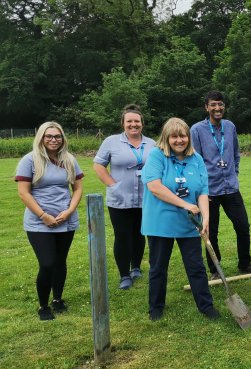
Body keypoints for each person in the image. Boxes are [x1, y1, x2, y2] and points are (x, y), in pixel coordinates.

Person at [141, 117, 219, 321]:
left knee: (196, 266)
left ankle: (206, 306)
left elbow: (202, 190)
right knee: (158, 267)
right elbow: (155, 187)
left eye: (182, 135)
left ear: (188, 137)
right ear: (166, 138)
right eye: (174, 136)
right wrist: (185, 205)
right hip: (160, 222)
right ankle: (155, 308)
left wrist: (206, 217)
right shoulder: (157, 156)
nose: (179, 140)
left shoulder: (197, 159)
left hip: (189, 223)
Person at [191, 90, 251, 280]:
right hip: (210, 192)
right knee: (210, 232)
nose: (217, 108)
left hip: (231, 187)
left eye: (220, 104)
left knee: (243, 226)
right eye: (213, 105)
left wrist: (234, 173)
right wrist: (201, 187)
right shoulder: (197, 130)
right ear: (206, 107)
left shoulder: (230, 127)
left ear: (224, 106)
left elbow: (236, 154)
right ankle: (215, 270)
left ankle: (245, 263)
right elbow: (195, 161)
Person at [15, 122, 84, 320]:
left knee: (60, 261)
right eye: (49, 136)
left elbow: (77, 188)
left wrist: (70, 211)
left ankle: (58, 299)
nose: (54, 140)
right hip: (39, 223)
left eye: (57, 136)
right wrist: (43, 215)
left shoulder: (69, 159)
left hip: (65, 220)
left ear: (63, 139)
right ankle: (43, 306)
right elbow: (23, 192)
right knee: (47, 263)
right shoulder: (29, 160)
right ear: (41, 138)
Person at [93, 104, 156, 290]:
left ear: (142, 124)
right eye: (129, 121)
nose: (133, 124)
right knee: (122, 236)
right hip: (120, 199)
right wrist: (113, 184)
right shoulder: (111, 142)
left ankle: (136, 266)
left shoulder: (152, 144)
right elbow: (98, 165)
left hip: (146, 197)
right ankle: (124, 274)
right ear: (123, 123)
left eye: (137, 121)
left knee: (140, 233)